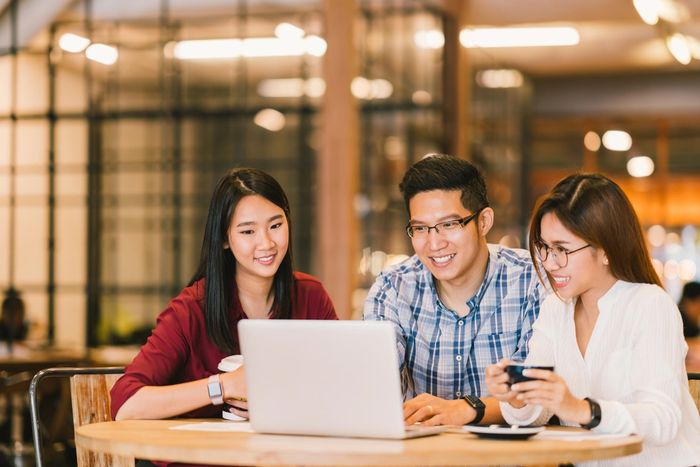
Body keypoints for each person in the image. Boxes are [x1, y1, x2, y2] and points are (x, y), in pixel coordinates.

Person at [485, 173, 700, 466]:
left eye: (563, 249)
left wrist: (580, 409)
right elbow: (537, 414)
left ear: (606, 250)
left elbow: (662, 420)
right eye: (545, 247)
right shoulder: (555, 309)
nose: (549, 263)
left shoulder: (650, 304)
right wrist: (518, 395)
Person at [111, 168, 338, 427]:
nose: (266, 243)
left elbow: (342, 387)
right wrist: (224, 385)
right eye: (247, 232)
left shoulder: (311, 296)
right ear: (224, 239)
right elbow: (126, 404)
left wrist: (280, 405)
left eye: (275, 225)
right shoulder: (191, 309)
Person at [363, 154, 543, 427]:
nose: (434, 244)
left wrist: (466, 409)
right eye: (420, 228)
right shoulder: (393, 287)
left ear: (483, 222)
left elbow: (535, 392)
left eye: (449, 225)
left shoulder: (531, 280)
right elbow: (375, 383)